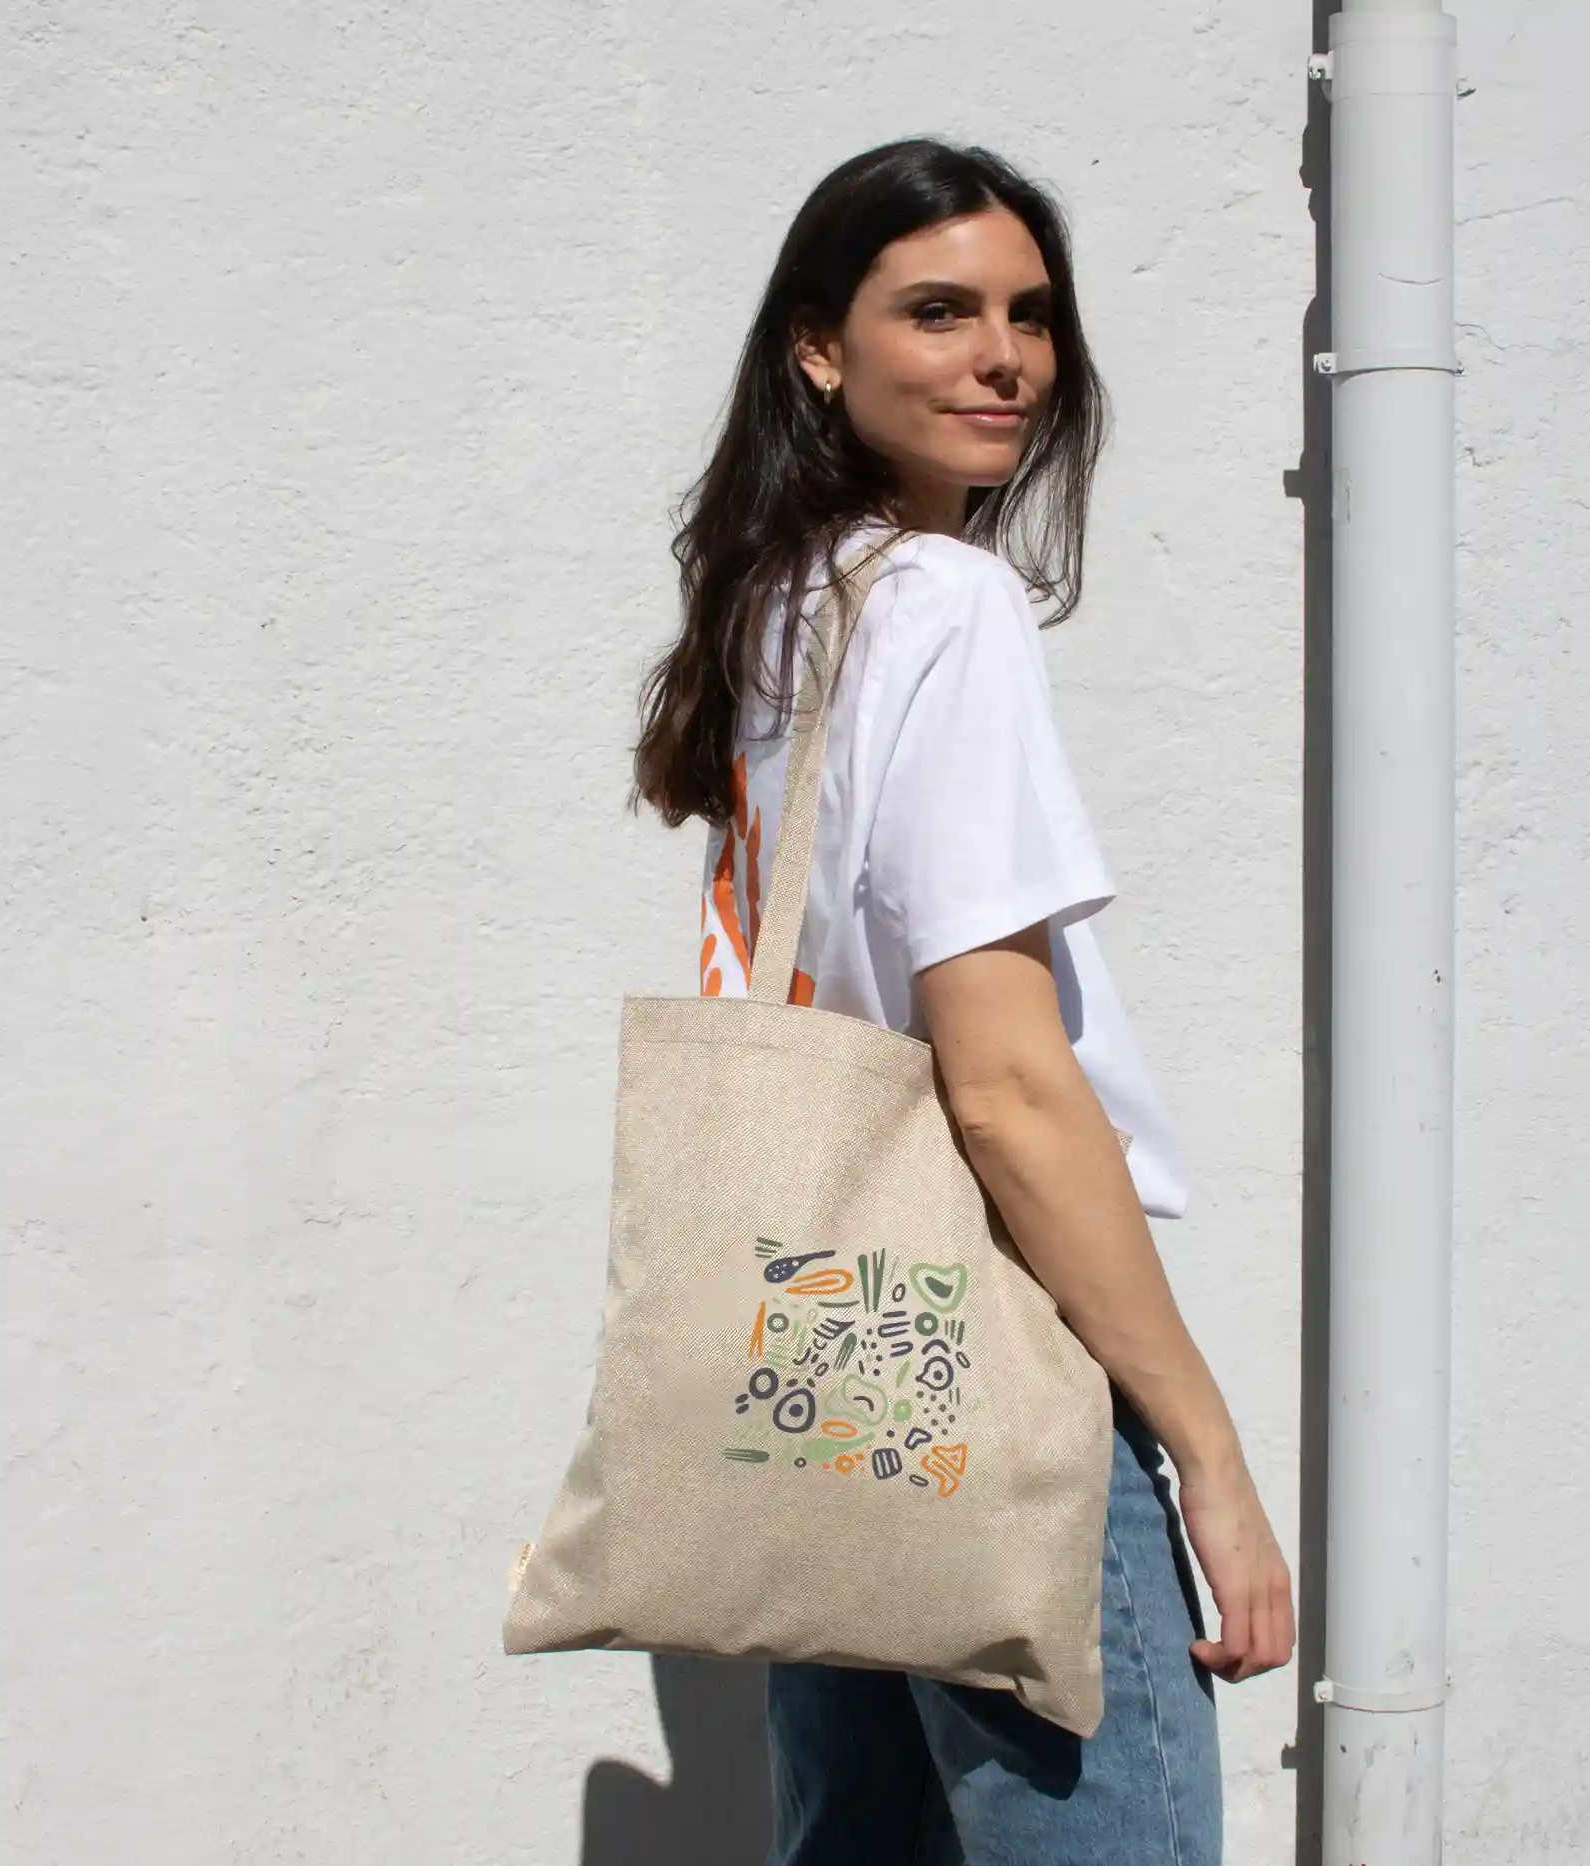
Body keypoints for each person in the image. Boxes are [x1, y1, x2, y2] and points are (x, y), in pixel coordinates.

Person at [629, 136, 1292, 1866]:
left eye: (1029, 314)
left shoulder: (783, 607)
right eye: (937, 309)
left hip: (832, 1343)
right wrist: (1207, 1454)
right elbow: (999, 1084)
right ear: (818, 348)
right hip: (987, 1334)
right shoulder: (945, 601)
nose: (1003, 355)